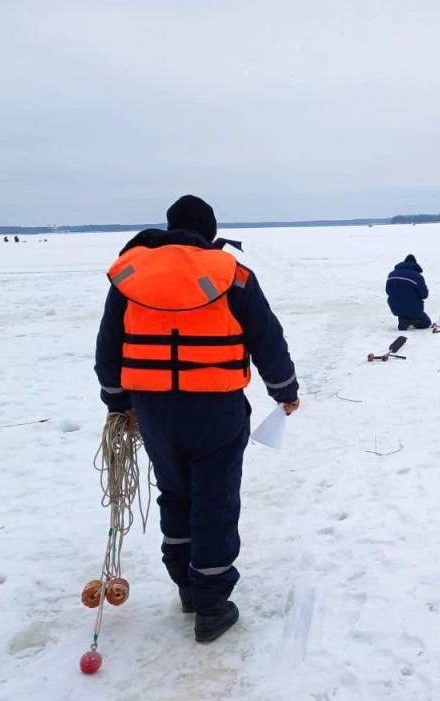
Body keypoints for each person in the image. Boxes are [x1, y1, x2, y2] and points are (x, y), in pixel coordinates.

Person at [95, 194, 300, 642]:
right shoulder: (233, 275)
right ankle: (211, 604)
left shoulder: (129, 275)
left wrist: (117, 401)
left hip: (153, 410)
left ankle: (187, 588)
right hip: (216, 409)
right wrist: (285, 390)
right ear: (210, 233)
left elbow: (109, 345)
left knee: (176, 494)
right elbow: (267, 336)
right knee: (215, 499)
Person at [385, 253, 431, 330]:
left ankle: (404, 320)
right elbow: (424, 295)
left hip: (395, 307)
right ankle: (413, 321)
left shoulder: (391, 274)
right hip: (413, 307)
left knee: (403, 311)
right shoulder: (417, 276)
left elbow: (387, 291)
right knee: (427, 322)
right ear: (415, 264)